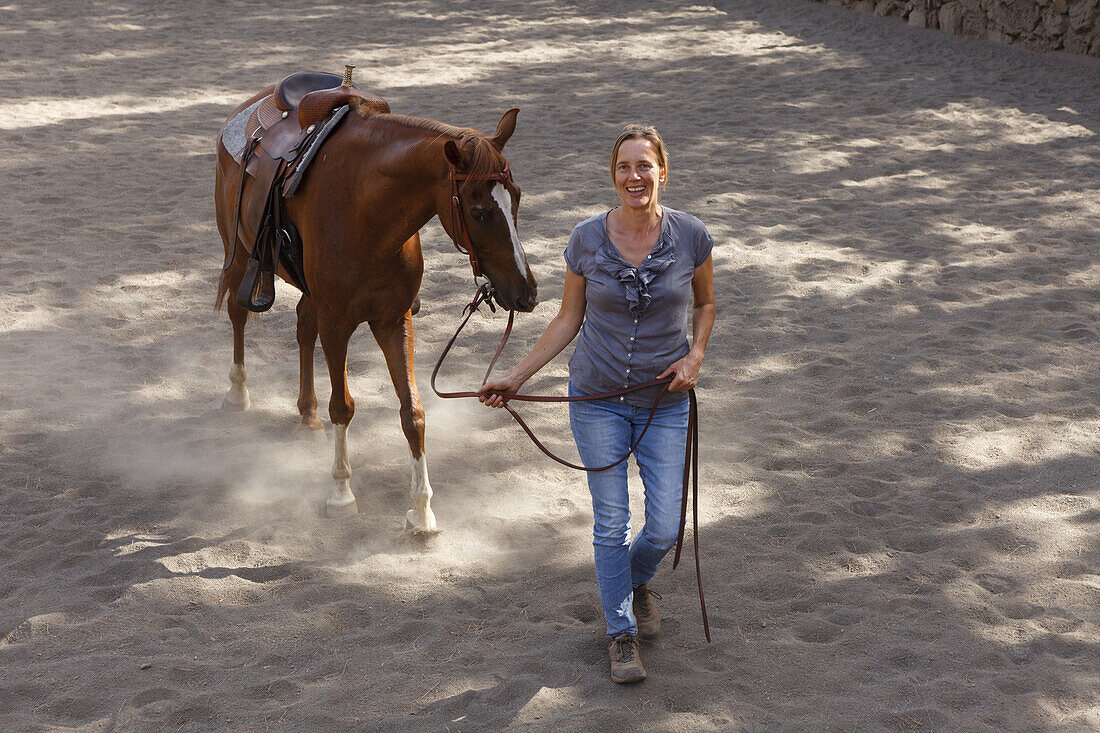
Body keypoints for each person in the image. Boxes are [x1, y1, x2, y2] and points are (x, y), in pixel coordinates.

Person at [479, 124, 715, 684]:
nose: (634, 176)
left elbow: (706, 304)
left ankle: (631, 582)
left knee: (663, 525)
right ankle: (620, 632)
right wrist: (515, 376)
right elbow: (568, 317)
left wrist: (696, 357)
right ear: (614, 176)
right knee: (611, 520)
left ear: (663, 170)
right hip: (597, 400)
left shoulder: (692, 237)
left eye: (644, 166)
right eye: (624, 168)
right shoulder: (586, 238)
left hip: (665, 398)